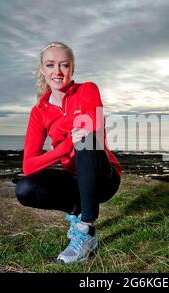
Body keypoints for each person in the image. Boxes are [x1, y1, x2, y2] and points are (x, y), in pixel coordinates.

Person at [14, 41, 122, 264]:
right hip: (74, 179)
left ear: (72, 68)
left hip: (104, 178)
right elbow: (29, 165)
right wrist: (63, 148)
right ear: (42, 70)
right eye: (50, 65)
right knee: (25, 188)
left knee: (85, 138)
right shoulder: (39, 112)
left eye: (64, 65)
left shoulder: (87, 89)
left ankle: (86, 229)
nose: (57, 71)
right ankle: (77, 211)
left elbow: (92, 126)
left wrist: (71, 138)